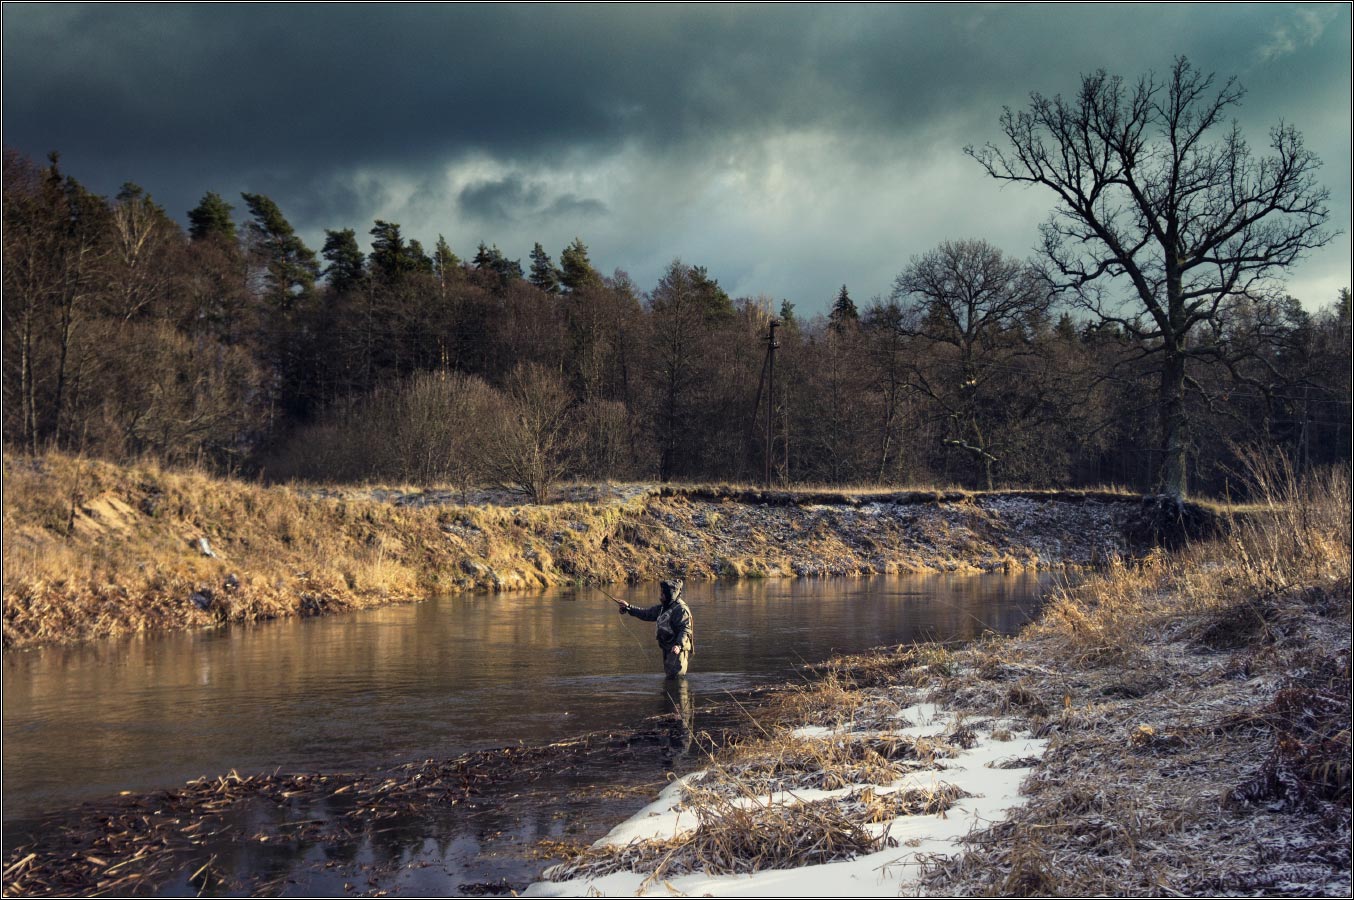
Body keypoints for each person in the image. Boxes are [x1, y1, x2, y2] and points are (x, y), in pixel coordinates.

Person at [618, 579, 693, 678]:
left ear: (670, 594)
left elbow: (685, 630)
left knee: (676, 677)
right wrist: (629, 607)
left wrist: (678, 645)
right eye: (661, 591)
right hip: (667, 646)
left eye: (663, 592)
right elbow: (646, 614)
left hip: (677, 649)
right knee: (670, 676)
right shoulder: (664, 607)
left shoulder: (681, 610)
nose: (661, 594)